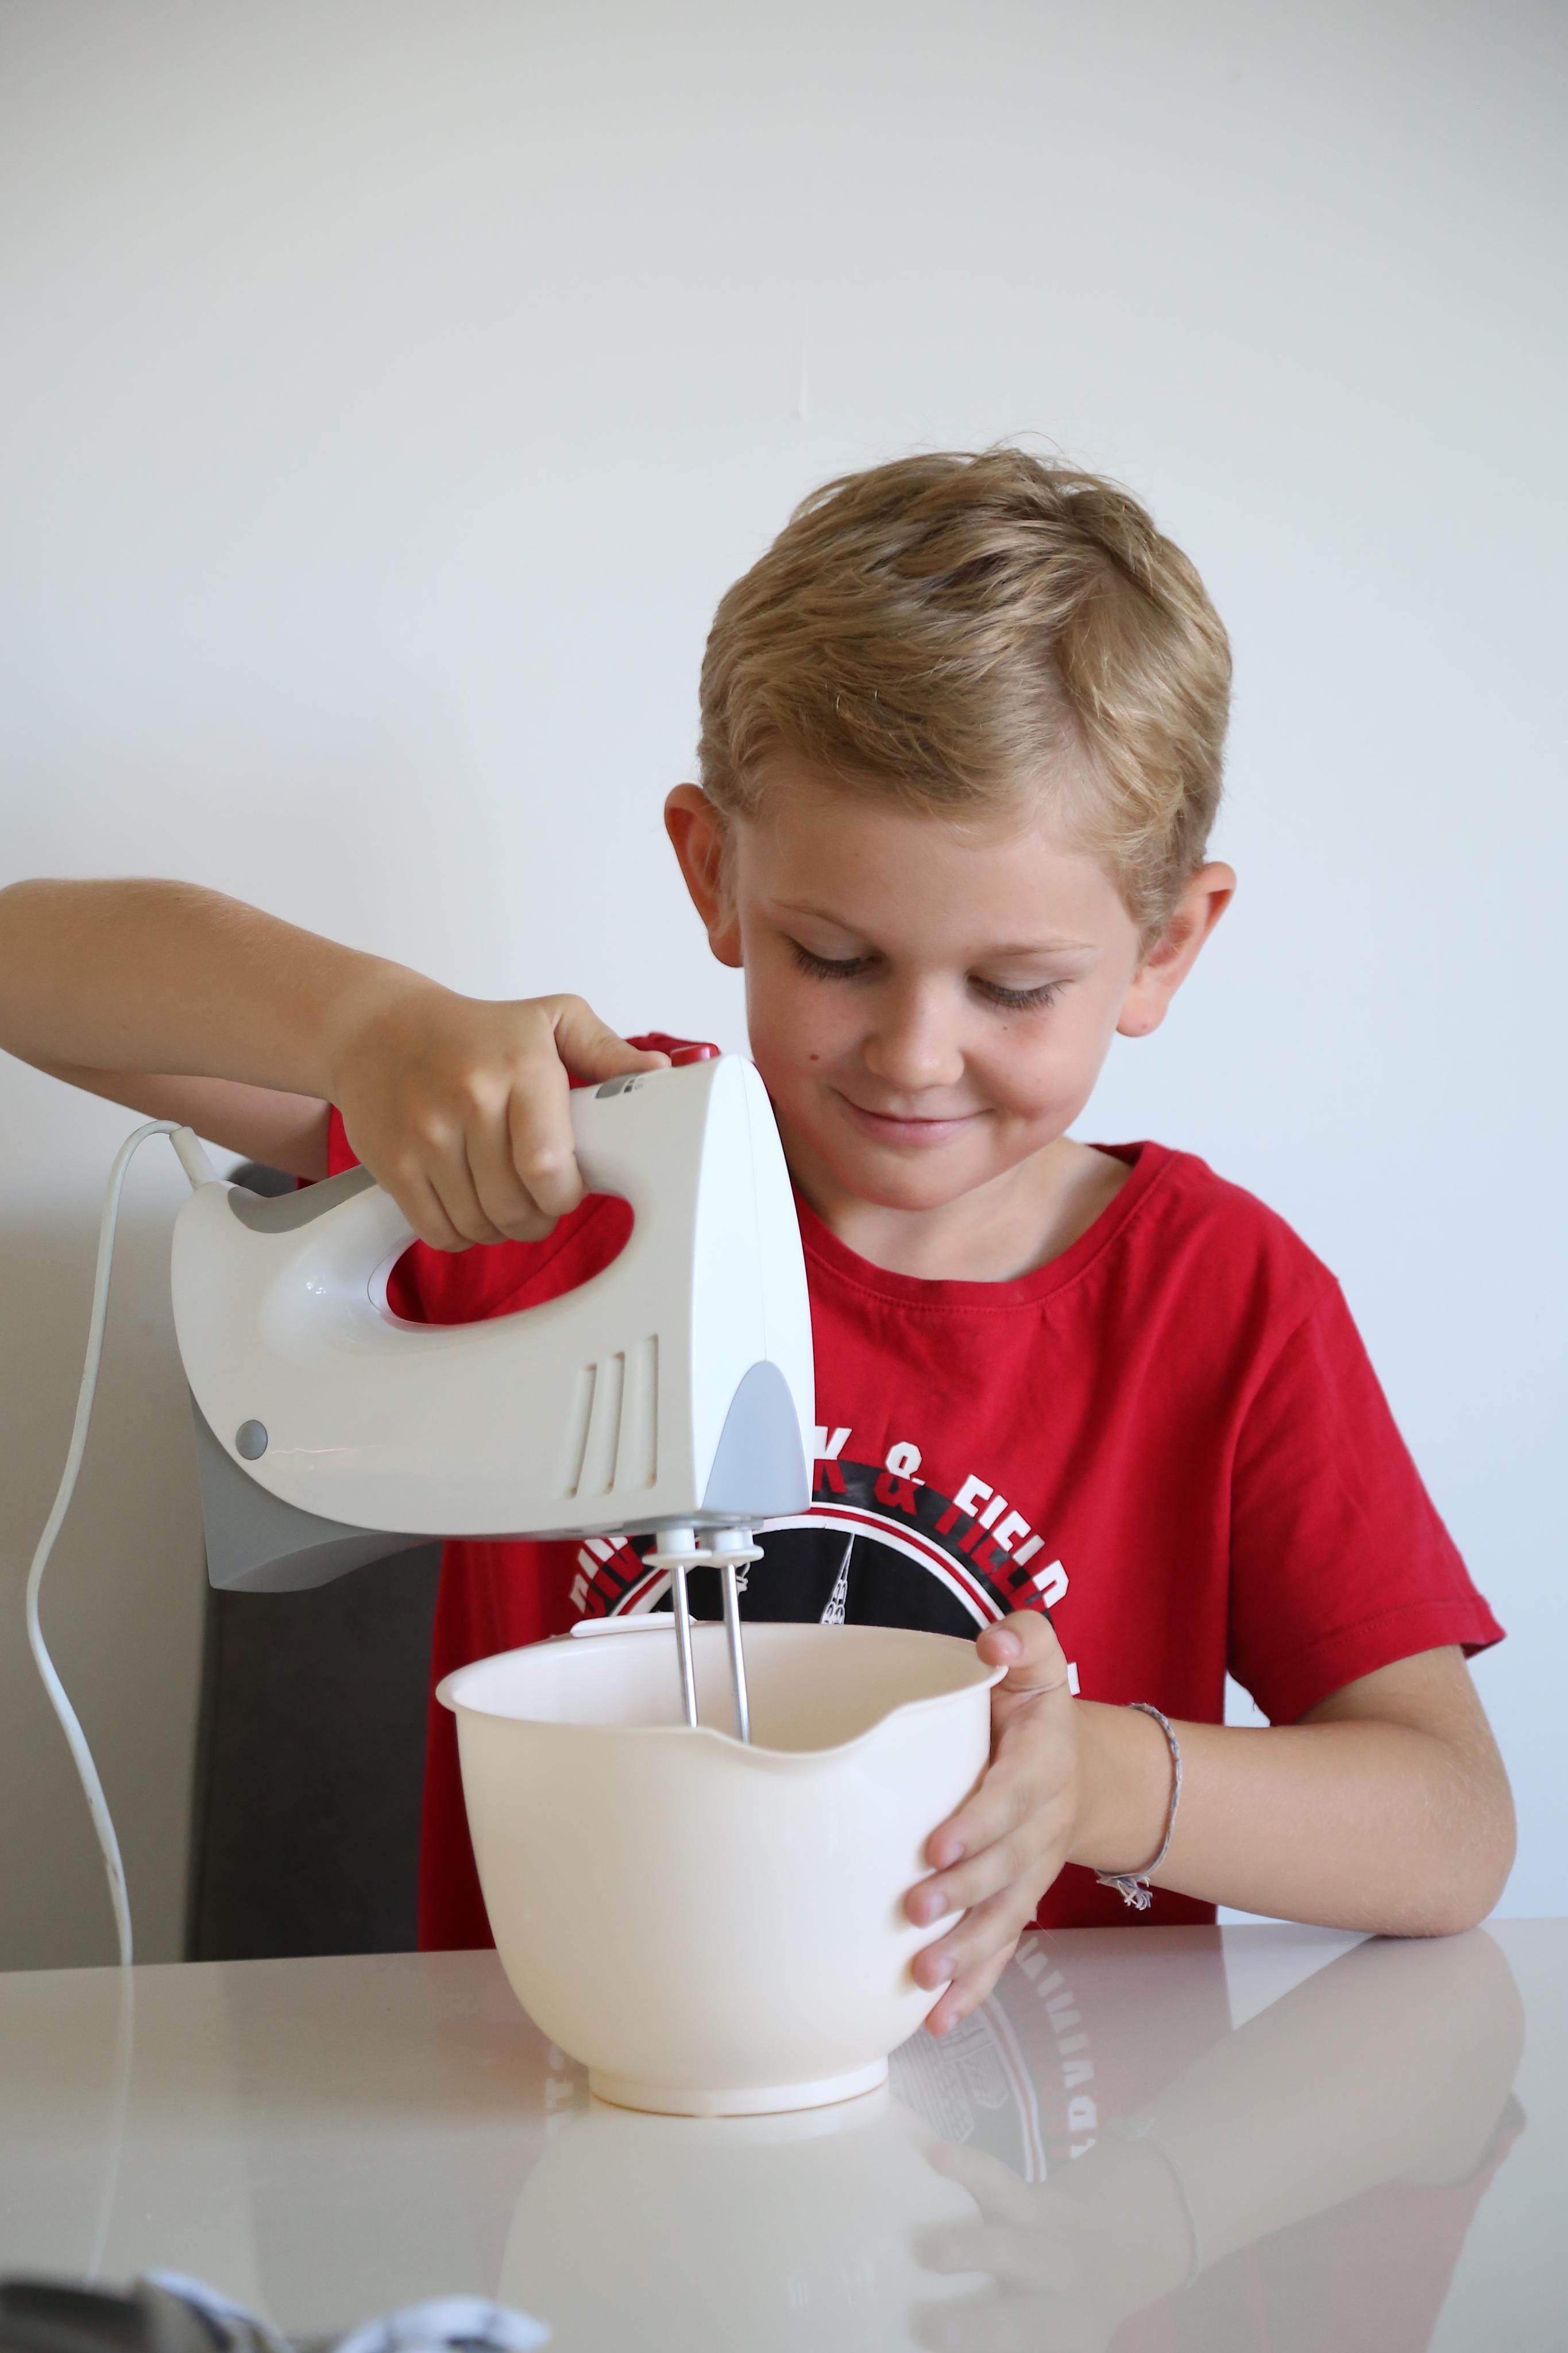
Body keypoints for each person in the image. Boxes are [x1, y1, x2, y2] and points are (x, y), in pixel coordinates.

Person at [0, 450, 1512, 2032]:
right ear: (716, 874)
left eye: (1012, 988)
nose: (914, 1056)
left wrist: (1101, 1779)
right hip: (556, 2127)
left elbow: (1454, 1828)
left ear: (1164, 947)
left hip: (1058, 2164)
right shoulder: (570, 1166)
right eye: (837, 957)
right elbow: (28, 970)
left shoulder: (1222, 1304)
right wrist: (363, 1023)